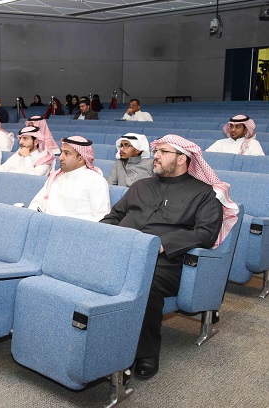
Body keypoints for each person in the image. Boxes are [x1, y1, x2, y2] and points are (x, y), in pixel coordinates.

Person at [101, 135, 236, 381]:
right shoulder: (141, 186)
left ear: (182, 159)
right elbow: (115, 215)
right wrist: (101, 235)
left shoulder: (204, 194)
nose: (156, 156)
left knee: (142, 284)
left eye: (163, 152)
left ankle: (146, 353)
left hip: (166, 263)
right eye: (156, 151)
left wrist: (163, 245)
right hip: (123, 251)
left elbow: (206, 233)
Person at [29, 136, 110, 221]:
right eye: (61, 152)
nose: (60, 157)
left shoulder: (95, 181)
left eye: (66, 153)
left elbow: (101, 217)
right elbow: (36, 203)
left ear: (80, 159)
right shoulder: (55, 177)